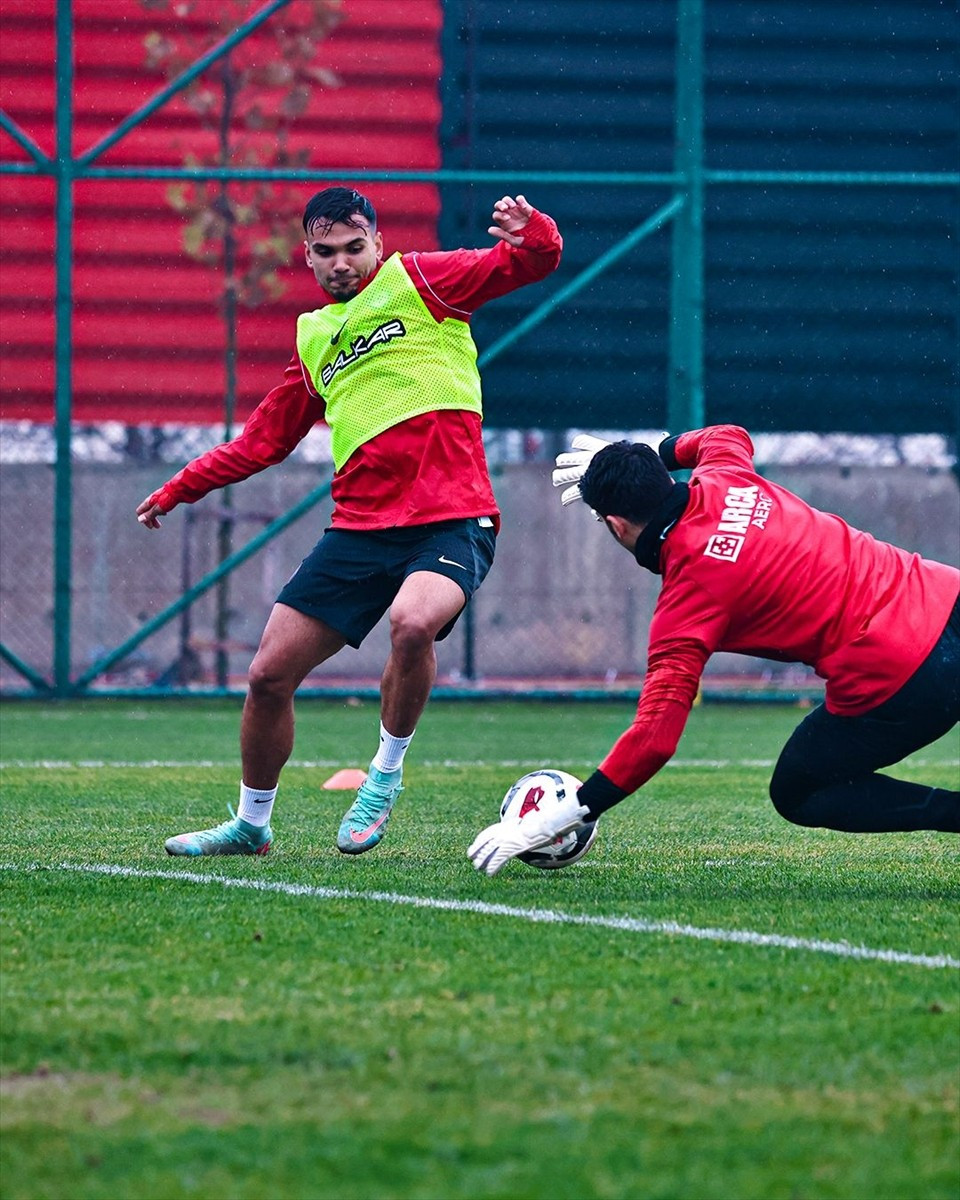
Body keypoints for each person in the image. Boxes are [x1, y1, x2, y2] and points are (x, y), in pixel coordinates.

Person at [137, 186, 562, 857]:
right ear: (307, 257)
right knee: (267, 677)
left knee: (414, 623)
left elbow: (532, 262)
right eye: (326, 251)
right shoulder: (313, 338)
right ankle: (251, 825)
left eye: (354, 247)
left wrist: (531, 228)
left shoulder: (421, 280)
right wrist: (178, 487)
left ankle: (383, 778)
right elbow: (261, 443)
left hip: (453, 518)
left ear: (378, 244)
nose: (343, 262)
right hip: (360, 531)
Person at [468, 424, 960, 875]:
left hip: (903, 674)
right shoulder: (726, 474)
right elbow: (727, 434)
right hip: (949, 596)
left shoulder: (687, 603)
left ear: (617, 526)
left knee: (799, 790)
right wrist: (659, 451)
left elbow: (654, 739)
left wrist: (573, 809)